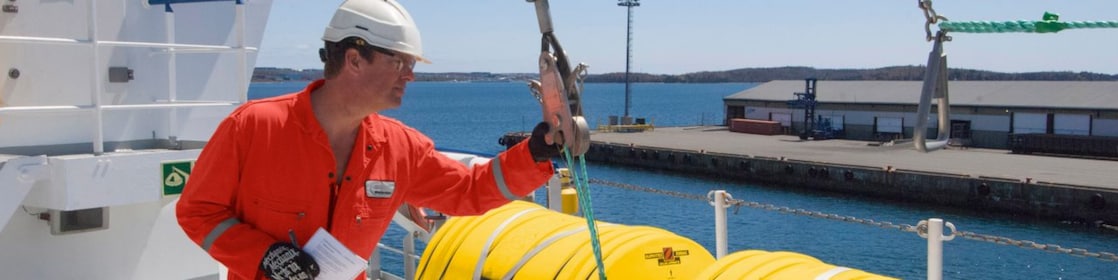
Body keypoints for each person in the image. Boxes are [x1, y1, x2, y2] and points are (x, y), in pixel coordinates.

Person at [175, 1, 561, 279]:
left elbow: (469, 190)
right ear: (354, 59)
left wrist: (534, 153)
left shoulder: (400, 148)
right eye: (400, 62)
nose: (410, 75)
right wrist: (265, 256)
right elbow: (198, 212)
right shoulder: (254, 127)